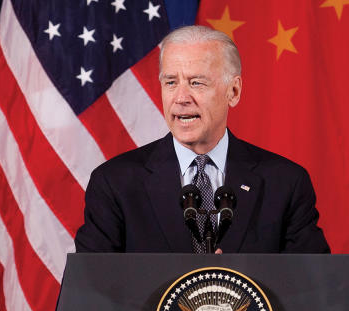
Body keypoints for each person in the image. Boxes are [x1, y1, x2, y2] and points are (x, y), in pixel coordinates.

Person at [74, 25, 329, 254]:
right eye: (171, 82)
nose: (181, 97)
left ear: (234, 91)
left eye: (197, 83)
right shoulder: (114, 183)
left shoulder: (285, 183)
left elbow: (312, 292)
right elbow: (90, 293)